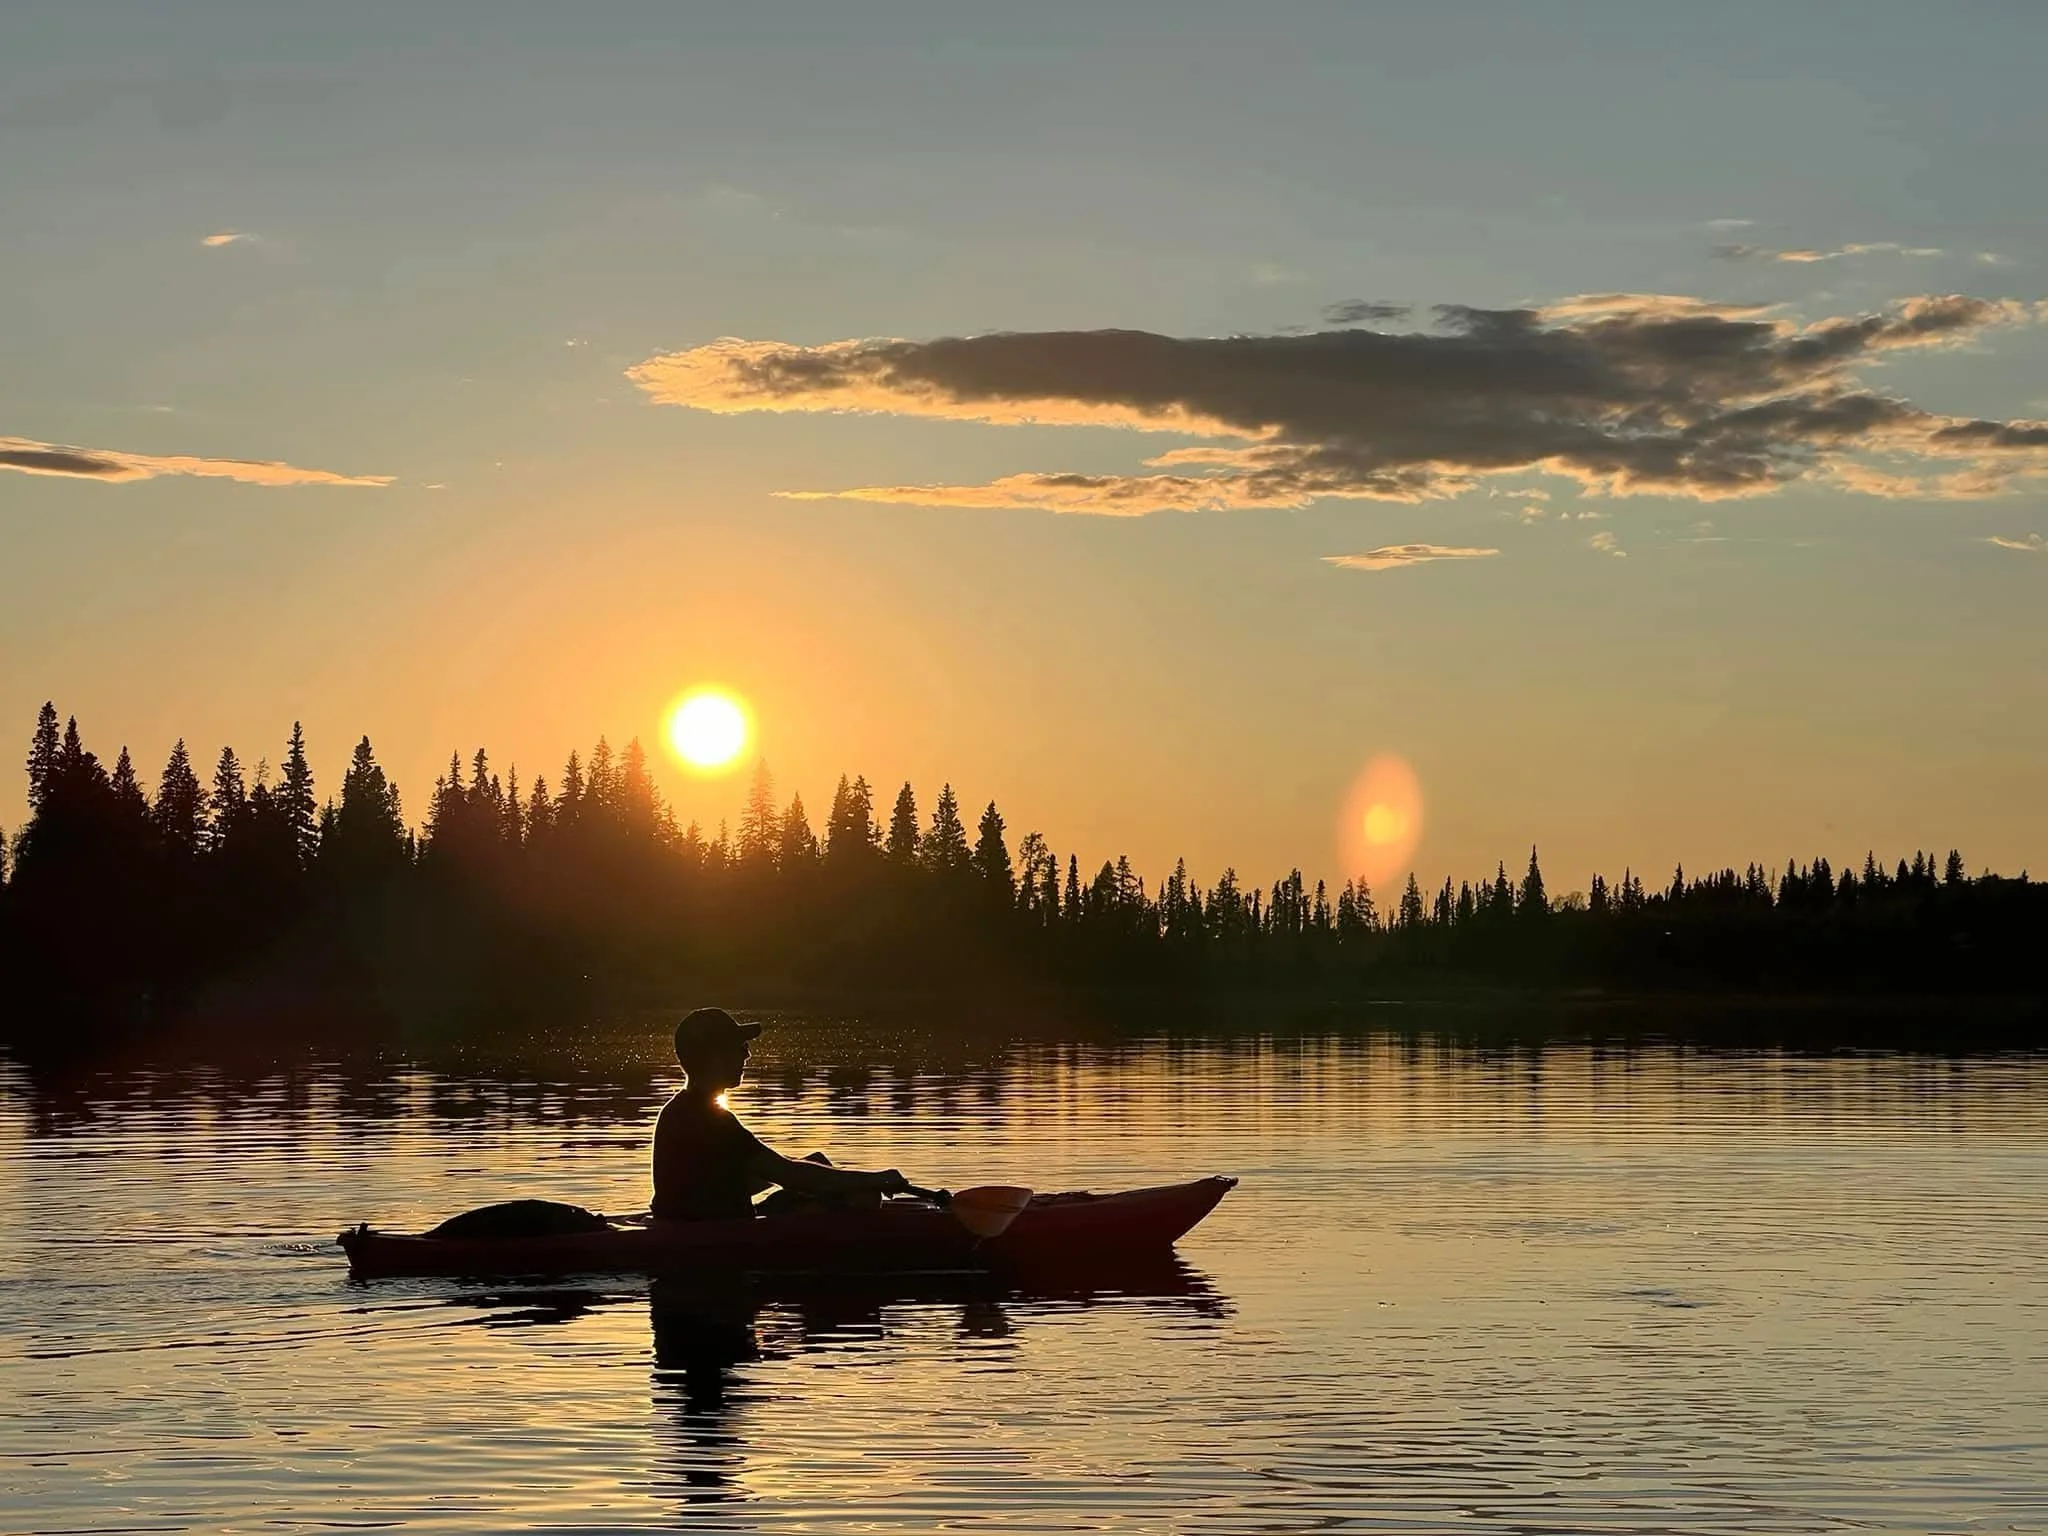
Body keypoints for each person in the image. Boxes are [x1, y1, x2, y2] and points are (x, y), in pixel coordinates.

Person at [652, 1007, 912, 1221]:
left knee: (817, 1162)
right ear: (714, 1056)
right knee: (864, 1197)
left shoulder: (679, 1109)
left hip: (692, 1222)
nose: (748, 1054)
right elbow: (787, 1174)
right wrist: (877, 1179)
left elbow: (720, 1180)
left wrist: (808, 1170)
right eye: (740, 1046)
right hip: (709, 1235)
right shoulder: (711, 1122)